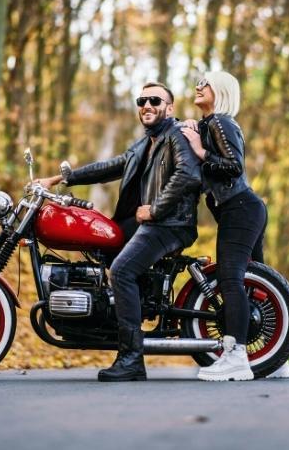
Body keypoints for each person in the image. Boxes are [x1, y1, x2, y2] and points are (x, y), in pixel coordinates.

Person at [35, 82, 201, 382]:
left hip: (170, 223)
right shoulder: (145, 143)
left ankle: (131, 359)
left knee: (122, 271)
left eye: (154, 100)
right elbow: (110, 167)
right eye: (142, 100)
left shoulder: (176, 135)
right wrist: (60, 179)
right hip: (148, 222)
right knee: (102, 242)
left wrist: (155, 209)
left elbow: (188, 175)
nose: (147, 105)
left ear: (170, 107)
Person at [180, 70, 289, 381]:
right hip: (245, 208)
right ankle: (275, 360)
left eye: (205, 83)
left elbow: (232, 166)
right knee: (256, 284)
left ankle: (237, 356)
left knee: (232, 280)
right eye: (198, 83)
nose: (198, 86)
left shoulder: (220, 121)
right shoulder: (212, 124)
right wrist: (194, 130)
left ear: (221, 90)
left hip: (240, 210)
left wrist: (200, 152)